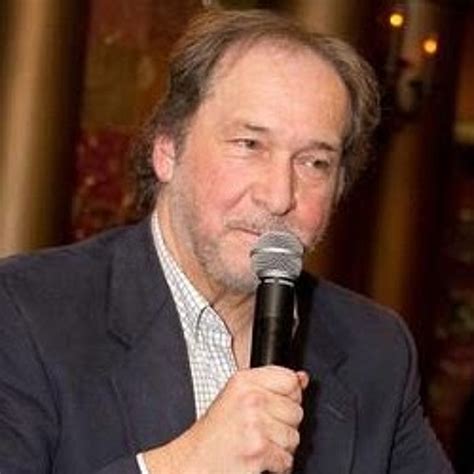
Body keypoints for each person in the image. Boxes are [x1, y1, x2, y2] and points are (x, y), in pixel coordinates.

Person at [0, 8, 453, 474]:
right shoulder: (25, 312)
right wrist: (179, 465)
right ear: (167, 149)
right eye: (249, 145)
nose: (279, 196)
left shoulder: (374, 349)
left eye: (314, 163)